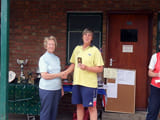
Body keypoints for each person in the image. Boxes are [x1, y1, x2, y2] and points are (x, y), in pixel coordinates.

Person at [64, 28, 104, 120]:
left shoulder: (95, 50)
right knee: (79, 106)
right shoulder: (77, 49)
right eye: (85, 35)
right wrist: (66, 72)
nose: (87, 37)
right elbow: (73, 64)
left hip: (89, 85)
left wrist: (87, 68)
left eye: (89, 35)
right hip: (77, 83)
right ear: (82, 37)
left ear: (92, 38)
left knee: (92, 108)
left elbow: (100, 68)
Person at [38, 36, 64, 120]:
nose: (51, 46)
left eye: (53, 44)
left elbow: (59, 75)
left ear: (55, 45)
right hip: (46, 90)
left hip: (56, 89)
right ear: (46, 45)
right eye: (49, 44)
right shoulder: (43, 59)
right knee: (46, 113)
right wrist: (60, 74)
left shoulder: (57, 59)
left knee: (54, 112)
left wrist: (61, 88)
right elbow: (44, 75)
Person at [146, 51, 160, 120]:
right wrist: (157, 74)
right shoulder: (155, 56)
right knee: (153, 110)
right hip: (156, 88)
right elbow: (149, 73)